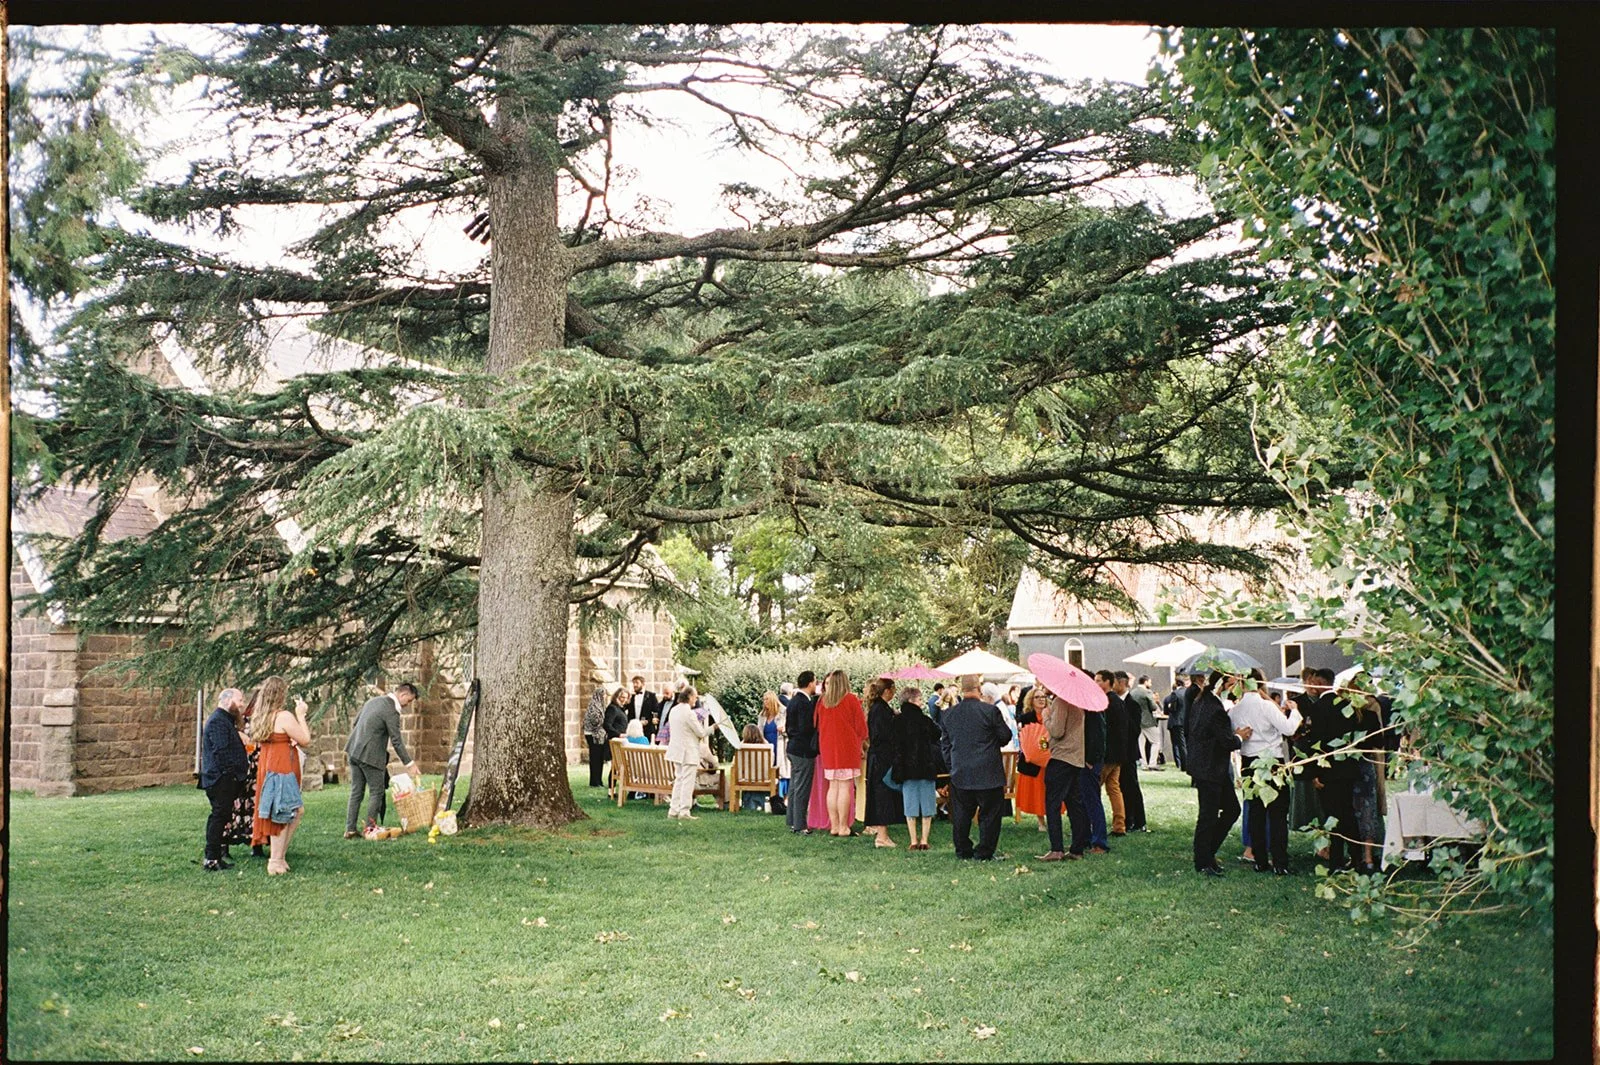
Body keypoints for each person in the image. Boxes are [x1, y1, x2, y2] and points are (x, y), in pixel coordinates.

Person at [1227, 669, 1303, 874]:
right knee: (1277, 813)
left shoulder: (1235, 710)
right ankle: (1280, 861)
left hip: (1249, 762)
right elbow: (1288, 729)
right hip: (1271, 761)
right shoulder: (1266, 705)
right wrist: (1294, 711)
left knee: (1256, 812)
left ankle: (1259, 859)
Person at [938, 674, 1012, 861]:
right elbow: (1005, 736)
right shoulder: (990, 711)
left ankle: (963, 850)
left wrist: (952, 765)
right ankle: (984, 852)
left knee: (962, 815)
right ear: (978, 689)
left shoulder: (949, 714)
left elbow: (945, 746)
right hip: (988, 772)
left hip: (961, 772)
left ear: (962, 690)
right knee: (990, 815)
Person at [1188, 670, 1252, 877]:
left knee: (1231, 809)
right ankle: (1202, 860)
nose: (1235, 687)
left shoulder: (1203, 701)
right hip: (1210, 768)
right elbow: (1226, 741)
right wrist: (1239, 737)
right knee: (1208, 815)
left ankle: (1207, 853)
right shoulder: (1213, 707)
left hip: (1209, 767)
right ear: (1222, 684)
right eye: (1233, 683)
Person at [248, 676, 310, 876]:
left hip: (269, 763)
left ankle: (280, 857)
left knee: (294, 810)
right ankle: (275, 860)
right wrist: (301, 715)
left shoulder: (261, 715)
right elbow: (305, 739)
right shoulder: (283, 716)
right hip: (280, 766)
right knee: (283, 811)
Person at [344, 683, 423, 838]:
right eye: (409, 701)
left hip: (353, 750)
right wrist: (409, 763)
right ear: (403, 695)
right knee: (377, 792)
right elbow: (397, 741)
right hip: (370, 756)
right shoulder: (391, 711)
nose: (408, 705)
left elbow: (356, 723)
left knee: (356, 791)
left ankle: (350, 829)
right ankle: (370, 829)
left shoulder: (373, 701)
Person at [1036, 685, 1091, 862]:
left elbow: (1057, 731)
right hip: (1075, 758)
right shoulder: (1077, 703)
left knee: (1052, 803)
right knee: (1075, 803)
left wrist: (1046, 716)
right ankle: (1077, 848)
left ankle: (1056, 848)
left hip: (1061, 758)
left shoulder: (1061, 702)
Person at [199, 687, 250, 871]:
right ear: (228, 701)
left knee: (221, 816)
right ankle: (211, 858)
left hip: (224, 779)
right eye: (240, 700)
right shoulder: (218, 722)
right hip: (220, 779)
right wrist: (233, 774)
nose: (242, 704)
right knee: (218, 816)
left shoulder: (225, 720)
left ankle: (215, 856)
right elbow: (222, 751)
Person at [815, 670, 869, 837]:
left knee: (833, 786)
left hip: (828, 748)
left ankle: (835, 826)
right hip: (847, 748)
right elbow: (862, 728)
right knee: (845, 786)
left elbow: (816, 725)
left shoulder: (822, 702)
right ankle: (844, 827)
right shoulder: (851, 699)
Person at [890, 686, 942, 850]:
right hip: (925, 766)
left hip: (906, 768)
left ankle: (913, 840)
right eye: (919, 699)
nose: (922, 702)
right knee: (927, 805)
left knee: (910, 805)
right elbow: (937, 734)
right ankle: (924, 839)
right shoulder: (925, 720)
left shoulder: (897, 721)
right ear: (912, 700)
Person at [863, 677, 903, 848]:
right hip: (882, 758)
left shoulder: (879, 708)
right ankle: (882, 836)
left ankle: (882, 834)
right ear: (887, 691)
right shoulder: (881, 710)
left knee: (881, 795)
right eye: (893, 689)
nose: (894, 692)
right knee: (882, 796)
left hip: (878, 757)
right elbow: (882, 735)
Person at [225, 695, 266, 860]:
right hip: (244, 767)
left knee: (256, 806)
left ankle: (257, 844)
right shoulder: (241, 723)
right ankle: (226, 842)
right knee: (236, 805)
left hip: (258, 769)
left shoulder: (265, 723)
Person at [664, 689, 711, 820]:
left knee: (679, 780)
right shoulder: (688, 713)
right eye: (695, 697)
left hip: (676, 750)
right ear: (689, 697)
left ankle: (673, 810)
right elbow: (701, 733)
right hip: (687, 751)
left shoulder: (674, 710)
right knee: (687, 782)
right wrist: (714, 728)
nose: (696, 700)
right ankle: (684, 811)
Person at [1013, 688, 1053, 833]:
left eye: (1043, 697)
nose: (1041, 699)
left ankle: (1052, 818)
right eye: (1037, 697)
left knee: (1050, 789)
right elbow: (1024, 738)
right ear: (1031, 700)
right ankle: (1041, 821)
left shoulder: (1051, 715)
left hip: (1050, 759)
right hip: (1033, 762)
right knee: (1037, 791)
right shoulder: (1025, 718)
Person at [784, 671, 819, 835]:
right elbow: (806, 727)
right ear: (810, 683)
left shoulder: (793, 701)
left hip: (792, 747)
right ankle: (800, 825)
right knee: (802, 788)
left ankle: (791, 820)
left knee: (793, 786)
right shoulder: (805, 703)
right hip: (803, 750)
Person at [1113, 671, 1148, 833]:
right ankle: (1125, 817)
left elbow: (1134, 729)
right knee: (1119, 786)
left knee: (1130, 786)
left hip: (1128, 752)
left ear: (1122, 683)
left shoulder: (1131, 703)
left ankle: (1137, 819)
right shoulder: (1113, 702)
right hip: (1117, 751)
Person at [1094, 670, 1128, 837]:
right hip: (1118, 753)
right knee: (1114, 788)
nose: (1096, 683)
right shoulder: (1118, 701)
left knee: (1094, 789)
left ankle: (1095, 825)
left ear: (1108, 682)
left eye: (1099, 680)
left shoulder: (1106, 702)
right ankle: (1119, 825)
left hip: (1108, 754)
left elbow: (1105, 731)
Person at [1079, 681, 1110, 854]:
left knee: (1092, 800)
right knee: (1084, 800)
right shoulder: (1088, 708)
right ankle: (1086, 837)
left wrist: (1090, 759)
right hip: (1085, 760)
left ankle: (1099, 841)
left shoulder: (1093, 709)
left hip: (1090, 761)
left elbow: (1098, 736)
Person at [758, 691, 788, 811]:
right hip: (767, 745)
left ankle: (783, 799)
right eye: (764, 699)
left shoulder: (783, 712)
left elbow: (788, 728)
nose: (765, 702)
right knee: (769, 770)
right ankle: (771, 798)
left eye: (767, 699)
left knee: (782, 771)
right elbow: (759, 732)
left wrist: (783, 730)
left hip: (779, 744)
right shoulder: (762, 715)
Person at [582, 681, 612, 788]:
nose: (604, 697)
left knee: (599, 759)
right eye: (603, 695)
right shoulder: (594, 706)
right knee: (595, 758)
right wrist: (605, 722)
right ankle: (594, 781)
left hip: (598, 736)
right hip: (593, 735)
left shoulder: (600, 705)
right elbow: (595, 721)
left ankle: (598, 781)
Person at [1130, 675, 1163, 770]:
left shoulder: (1133, 692)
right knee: (1156, 741)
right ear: (1145, 682)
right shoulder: (1147, 692)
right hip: (1148, 721)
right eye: (1149, 682)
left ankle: (1143, 763)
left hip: (1137, 721)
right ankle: (1152, 763)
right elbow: (1153, 706)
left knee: (1141, 743)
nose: (1151, 684)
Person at [604, 687, 630, 797]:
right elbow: (607, 725)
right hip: (614, 741)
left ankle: (613, 790)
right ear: (617, 696)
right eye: (622, 697)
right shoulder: (613, 708)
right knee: (615, 766)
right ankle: (611, 791)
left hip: (621, 741)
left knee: (617, 767)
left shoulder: (621, 708)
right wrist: (619, 734)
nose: (624, 699)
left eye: (626, 697)